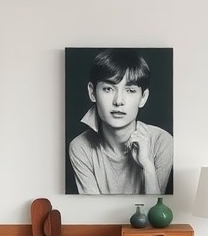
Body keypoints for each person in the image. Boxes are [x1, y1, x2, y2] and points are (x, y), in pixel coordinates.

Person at [68, 49, 173, 195]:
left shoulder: (162, 141)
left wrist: (147, 165)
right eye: (108, 89)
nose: (118, 101)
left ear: (143, 97)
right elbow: (91, 210)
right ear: (92, 92)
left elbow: (156, 208)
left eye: (130, 90)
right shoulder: (80, 147)